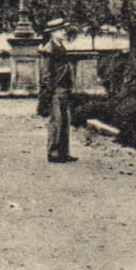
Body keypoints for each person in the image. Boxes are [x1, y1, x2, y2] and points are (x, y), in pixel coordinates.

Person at [44, 18, 76, 163]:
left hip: (64, 87)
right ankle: (53, 152)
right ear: (53, 33)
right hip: (57, 88)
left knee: (65, 121)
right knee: (56, 121)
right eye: (60, 30)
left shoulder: (59, 46)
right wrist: (52, 89)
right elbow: (46, 73)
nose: (64, 32)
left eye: (63, 29)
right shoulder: (49, 49)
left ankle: (64, 152)